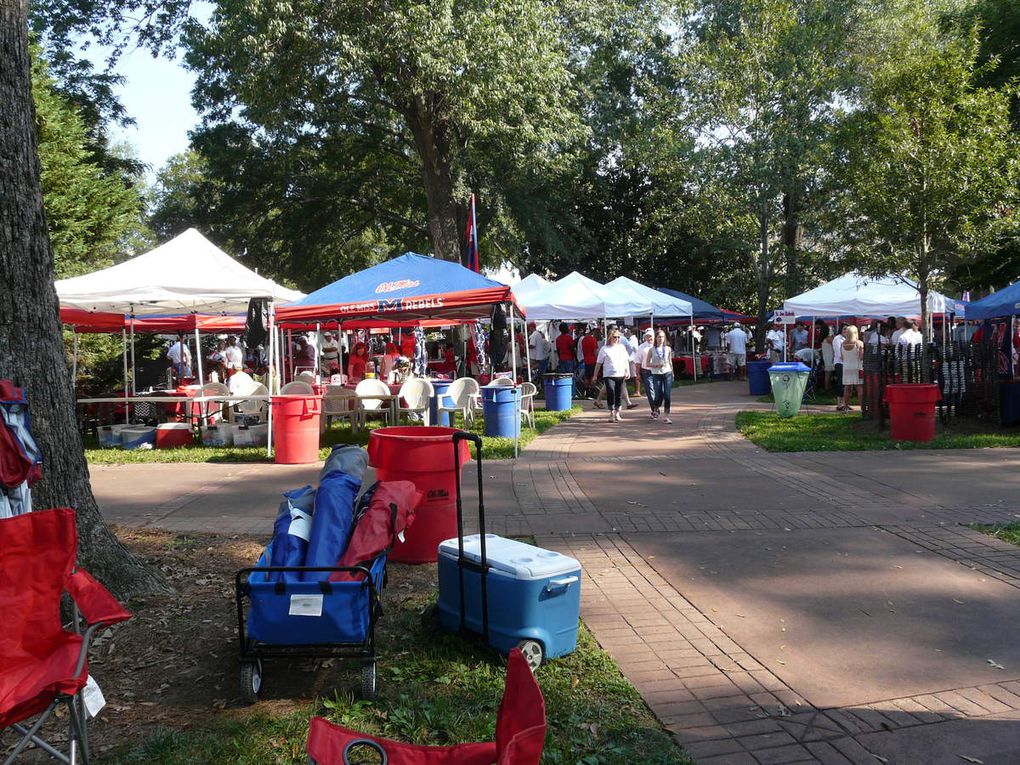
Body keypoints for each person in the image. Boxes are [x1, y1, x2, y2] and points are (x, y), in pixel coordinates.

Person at [592, 329, 631, 422]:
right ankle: (611, 412)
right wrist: (595, 375)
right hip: (608, 374)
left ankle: (617, 412)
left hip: (620, 373)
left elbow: (626, 360)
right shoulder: (604, 349)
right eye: (615, 337)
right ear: (610, 337)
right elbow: (598, 363)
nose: (616, 339)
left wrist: (628, 371)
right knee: (611, 392)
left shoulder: (621, 347)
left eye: (618, 337)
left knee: (618, 394)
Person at [646, 329, 674, 424]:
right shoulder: (652, 350)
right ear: (656, 338)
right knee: (658, 394)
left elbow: (670, 361)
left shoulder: (668, 349)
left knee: (667, 394)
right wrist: (655, 365)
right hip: (656, 373)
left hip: (667, 372)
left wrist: (672, 372)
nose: (661, 339)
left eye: (662, 337)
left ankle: (667, 415)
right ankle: (656, 408)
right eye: (659, 337)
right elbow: (647, 363)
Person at [840, 325, 863, 411]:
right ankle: (862, 407)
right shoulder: (859, 343)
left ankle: (846, 406)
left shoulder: (843, 343)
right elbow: (861, 357)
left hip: (846, 367)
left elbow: (842, 357)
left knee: (847, 387)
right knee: (859, 388)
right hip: (857, 366)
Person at [635, 328, 655, 410]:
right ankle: (654, 409)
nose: (649, 338)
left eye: (650, 336)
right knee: (650, 391)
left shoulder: (658, 345)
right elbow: (638, 361)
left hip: (658, 371)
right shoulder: (641, 347)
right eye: (647, 336)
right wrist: (638, 373)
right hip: (646, 371)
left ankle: (657, 404)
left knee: (659, 390)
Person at [832, 324, 845, 402]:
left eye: (847, 329)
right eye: (844, 329)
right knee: (841, 382)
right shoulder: (837, 339)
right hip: (840, 363)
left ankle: (844, 402)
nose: (846, 331)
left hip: (845, 363)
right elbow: (838, 353)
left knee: (844, 383)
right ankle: (839, 403)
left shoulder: (845, 338)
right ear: (841, 329)